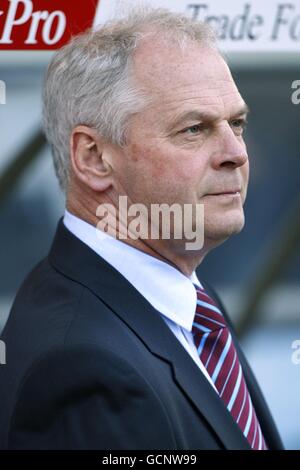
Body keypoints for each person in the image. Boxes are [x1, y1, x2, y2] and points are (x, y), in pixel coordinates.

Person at [0, 7, 283, 450]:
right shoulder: (79, 369)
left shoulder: (183, 296)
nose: (236, 153)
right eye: (194, 129)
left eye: (237, 124)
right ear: (93, 158)